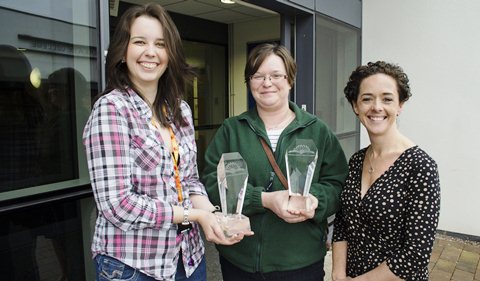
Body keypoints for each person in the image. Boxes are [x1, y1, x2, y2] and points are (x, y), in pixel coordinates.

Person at [83, 4, 249, 281]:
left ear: (170, 54)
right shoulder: (111, 110)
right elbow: (118, 206)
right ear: (122, 52)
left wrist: (215, 216)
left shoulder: (179, 109)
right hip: (133, 264)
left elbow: (190, 181)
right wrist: (194, 216)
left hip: (189, 257)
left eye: (160, 44)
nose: (151, 52)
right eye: (139, 42)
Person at [201, 43, 348, 281]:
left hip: (300, 262)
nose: (267, 83)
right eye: (257, 76)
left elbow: (339, 184)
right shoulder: (232, 129)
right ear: (249, 83)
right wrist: (263, 200)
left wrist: (315, 200)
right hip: (239, 260)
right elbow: (209, 182)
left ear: (290, 80)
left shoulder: (317, 131)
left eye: (276, 75)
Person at [332, 61, 441, 281]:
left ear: (400, 105)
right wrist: (338, 273)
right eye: (367, 98)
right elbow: (343, 223)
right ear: (355, 106)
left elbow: (415, 256)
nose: (377, 107)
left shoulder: (421, 167)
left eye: (387, 98)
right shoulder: (356, 160)